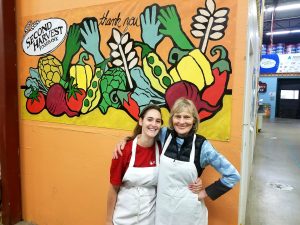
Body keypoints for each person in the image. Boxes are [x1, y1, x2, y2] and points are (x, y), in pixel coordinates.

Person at [114, 97, 240, 225]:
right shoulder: (164, 135)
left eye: (187, 117)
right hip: (163, 214)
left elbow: (233, 175)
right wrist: (126, 140)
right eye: (177, 116)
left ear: (194, 120)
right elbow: (146, 132)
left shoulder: (203, 146)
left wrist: (204, 193)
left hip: (189, 214)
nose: (181, 122)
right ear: (172, 119)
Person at [106, 104, 201, 225]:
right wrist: (108, 221)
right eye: (149, 119)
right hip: (122, 219)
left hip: (150, 220)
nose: (153, 124)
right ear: (141, 121)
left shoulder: (163, 150)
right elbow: (113, 188)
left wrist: (196, 180)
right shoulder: (123, 150)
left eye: (158, 121)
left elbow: (177, 173)